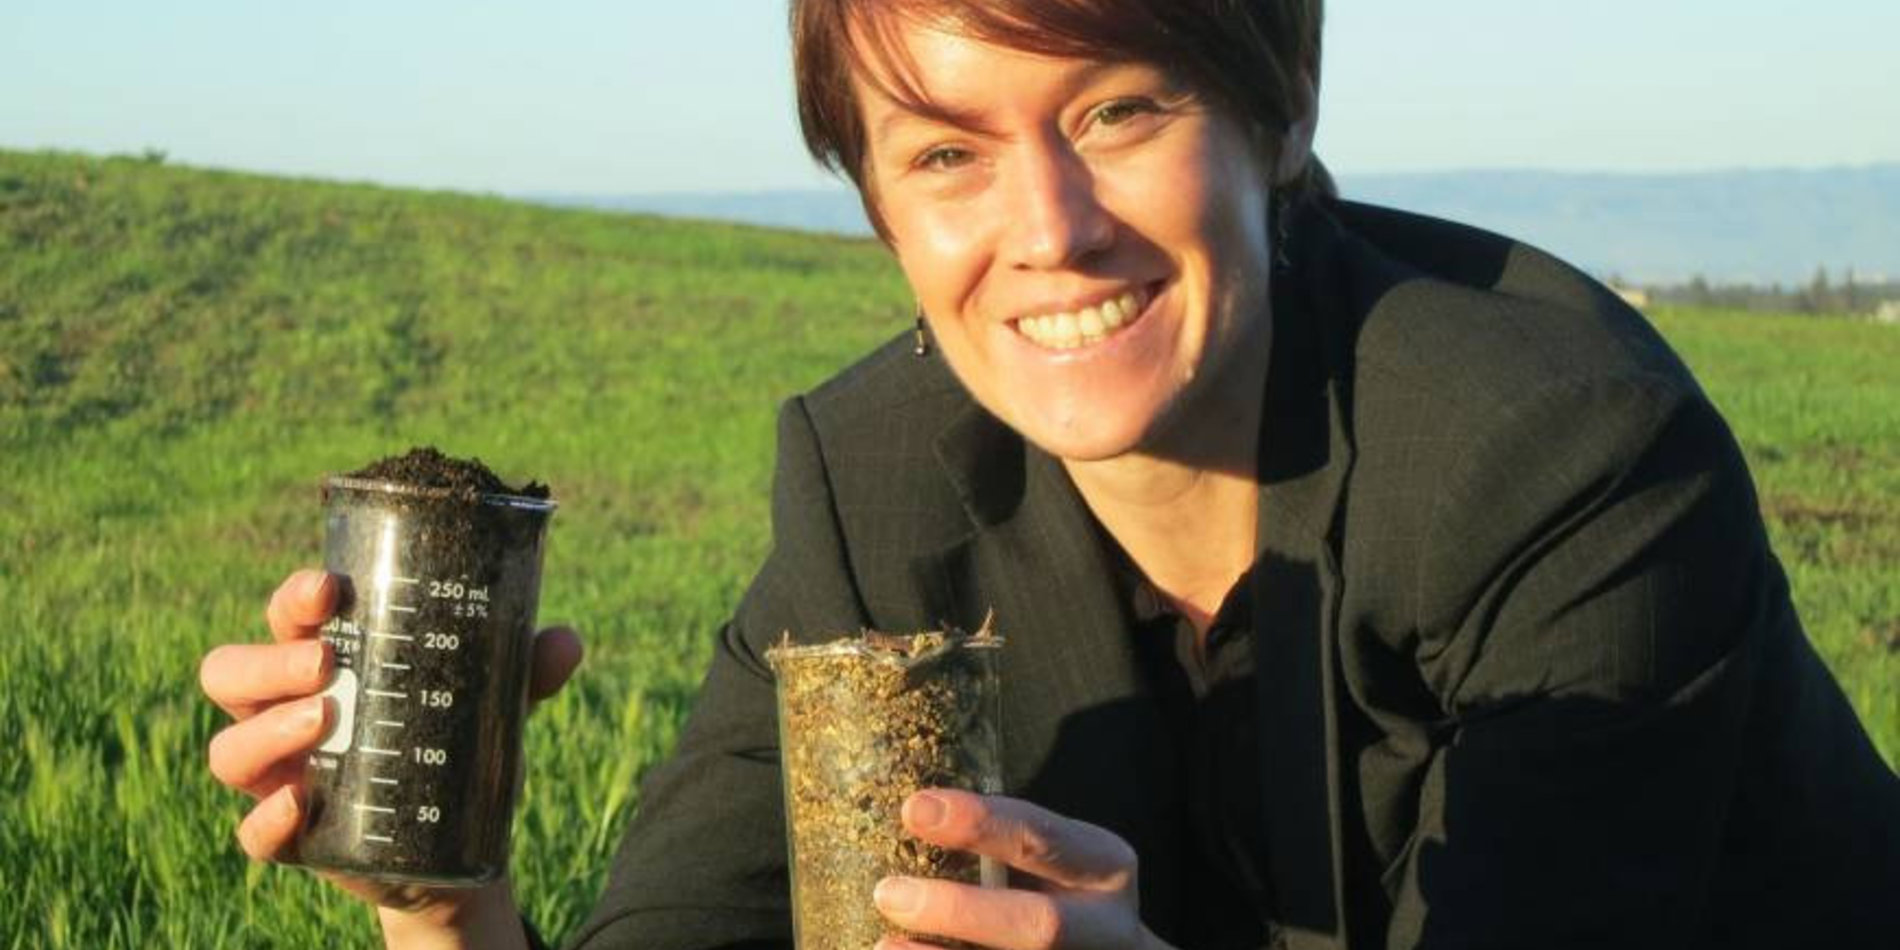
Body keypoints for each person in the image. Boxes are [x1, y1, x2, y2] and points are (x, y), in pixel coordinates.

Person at [199, 1, 1900, 948]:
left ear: (1277, 114)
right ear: (878, 204)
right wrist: (444, 903)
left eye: (1118, 112)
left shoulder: (1558, 452)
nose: (1048, 232)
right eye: (945, 152)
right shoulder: (876, 489)